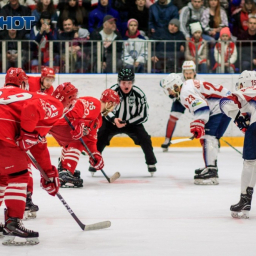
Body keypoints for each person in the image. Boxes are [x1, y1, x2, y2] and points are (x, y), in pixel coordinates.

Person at [0, 68, 78, 245]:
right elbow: (32, 108)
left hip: (3, 134)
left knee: (2, 177)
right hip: (3, 134)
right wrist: (27, 135)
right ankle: (12, 222)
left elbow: (38, 145)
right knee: (18, 175)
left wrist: (48, 172)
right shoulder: (51, 103)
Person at [160, 73, 231, 184]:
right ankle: (211, 167)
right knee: (209, 138)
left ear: (175, 86)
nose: (169, 93)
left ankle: (212, 172)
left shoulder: (185, 92)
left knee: (207, 137)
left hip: (221, 106)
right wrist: (200, 124)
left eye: (169, 89)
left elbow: (202, 106)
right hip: (226, 103)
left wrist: (199, 123)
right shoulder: (188, 85)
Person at [89, 68, 157, 176]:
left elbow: (143, 115)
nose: (126, 85)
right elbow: (104, 109)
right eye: (123, 82)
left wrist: (127, 122)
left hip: (132, 124)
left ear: (133, 82)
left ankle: (151, 163)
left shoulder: (139, 94)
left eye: (129, 82)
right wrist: (114, 119)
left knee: (145, 138)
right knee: (100, 136)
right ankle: (94, 161)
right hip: (112, 122)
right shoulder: (112, 91)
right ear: (119, 82)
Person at [49, 89, 120, 187]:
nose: (113, 109)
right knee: (78, 138)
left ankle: (63, 168)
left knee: (79, 136)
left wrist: (94, 154)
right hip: (60, 121)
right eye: (114, 106)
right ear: (110, 103)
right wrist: (77, 121)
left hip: (62, 127)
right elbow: (78, 104)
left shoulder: (98, 119)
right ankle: (66, 172)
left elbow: (90, 140)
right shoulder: (95, 104)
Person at [220, 70, 256, 219]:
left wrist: (238, 119)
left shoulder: (247, 91)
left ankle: (245, 200)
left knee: (250, 162)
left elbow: (225, 102)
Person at [24, 66, 55, 219]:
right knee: (23, 165)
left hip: (31, 129)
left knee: (26, 164)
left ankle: (26, 197)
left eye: (51, 80)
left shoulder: (50, 91)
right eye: (47, 79)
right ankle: (24, 197)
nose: (49, 83)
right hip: (20, 124)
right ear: (42, 78)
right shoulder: (29, 81)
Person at [160, 61, 196, 151]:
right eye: (186, 73)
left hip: (195, 101)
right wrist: (170, 93)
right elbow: (163, 82)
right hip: (180, 100)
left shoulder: (199, 80)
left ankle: (212, 138)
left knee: (204, 117)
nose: (188, 75)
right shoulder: (177, 78)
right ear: (183, 73)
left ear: (194, 72)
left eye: (190, 73)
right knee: (173, 116)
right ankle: (167, 139)